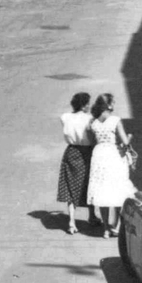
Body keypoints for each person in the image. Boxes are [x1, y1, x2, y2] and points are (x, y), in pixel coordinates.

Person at [86, 94, 134, 238]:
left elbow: (92, 142)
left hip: (99, 155)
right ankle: (117, 225)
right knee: (117, 189)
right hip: (113, 155)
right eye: (113, 102)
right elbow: (125, 142)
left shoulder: (93, 122)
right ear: (109, 105)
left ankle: (106, 228)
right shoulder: (115, 120)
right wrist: (130, 137)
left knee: (102, 191)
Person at [56, 92, 93, 236]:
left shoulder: (65, 117)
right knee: (90, 183)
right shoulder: (90, 118)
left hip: (71, 152)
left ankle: (72, 221)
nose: (89, 106)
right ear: (83, 106)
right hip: (87, 152)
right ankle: (92, 216)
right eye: (88, 103)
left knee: (72, 186)